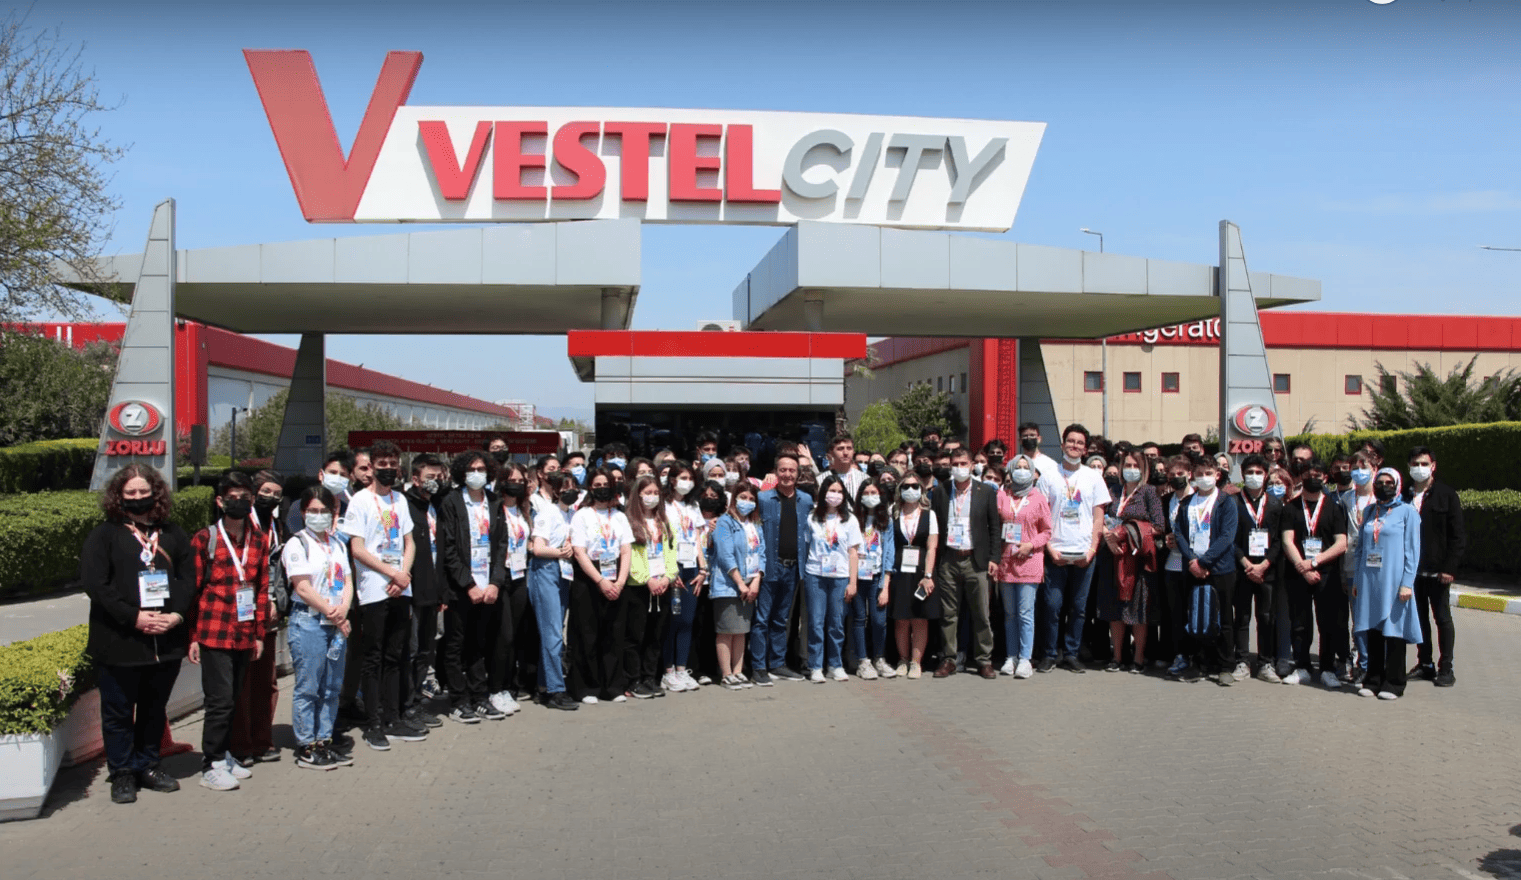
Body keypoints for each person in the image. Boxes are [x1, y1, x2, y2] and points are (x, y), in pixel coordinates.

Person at [82, 464, 193, 804]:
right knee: (117, 713)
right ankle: (122, 774)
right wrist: (135, 618)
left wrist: (175, 616)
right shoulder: (105, 535)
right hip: (121, 641)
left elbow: (189, 580)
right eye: (130, 493)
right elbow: (96, 585)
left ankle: (147, 765)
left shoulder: (173, 534)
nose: (137, 497)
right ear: (119, 496)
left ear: (155, 493)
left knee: (153, 710)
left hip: (165, 642)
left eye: (143, 492)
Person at [190, 472, 271, 791]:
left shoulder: (259, 539)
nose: (239, 502)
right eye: (233, 496)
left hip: (244, 630)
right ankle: (210, 763)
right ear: (220, 501)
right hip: (214, 630)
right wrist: (193, 637)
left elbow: (261, 588)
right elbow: (193, 592)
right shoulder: (204, 538)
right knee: (219, 700)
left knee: (234, 698)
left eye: (245, 496)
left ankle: (223, 755)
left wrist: (260, 634)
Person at [346, 441, 428, 749]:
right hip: (374, 589)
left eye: (393, 462)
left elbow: (410, 543)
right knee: (374, 658)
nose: (388, 468)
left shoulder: (400, 500)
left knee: (397, 655)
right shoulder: (360, 501)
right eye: (382, 463)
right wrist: (391, 573)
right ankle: (374, 722)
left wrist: (403, 575)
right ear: (372, 466)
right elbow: (357, 548)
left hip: (400, 587)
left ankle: (394, 717)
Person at [283, 486, 355, 771]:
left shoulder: (336, 543)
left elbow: (347, 580)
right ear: (303, 513)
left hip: (335, 623)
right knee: (309, 687)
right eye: (312, 511)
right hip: (309, 621)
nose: (319, 516)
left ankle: (324, 740)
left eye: (324, 511)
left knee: (331, 687)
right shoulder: (297, 544)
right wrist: (331, 612)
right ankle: (306, 745)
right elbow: (302, 586)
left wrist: (343, 611)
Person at [1037, 424, 1111, 674]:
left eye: (1080, 443)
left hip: (1083, 554)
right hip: (1055, 553)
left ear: (1086, 448)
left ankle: (1071, 653)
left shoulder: (1094, 477)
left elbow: (1098, 517)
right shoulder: (1049, 476)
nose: (1075, 446)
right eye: (1071, 441)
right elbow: (1040, 517)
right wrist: (1048, 549)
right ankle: (1049, 653)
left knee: (1079, 609)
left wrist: (1091, 550)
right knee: (1052, 606)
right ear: (1062, 445)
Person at [437, 450, 502, 724]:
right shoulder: (451, 502)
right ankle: (458, 700)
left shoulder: (495, 502)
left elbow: (501, 545)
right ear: (462, 473)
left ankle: (479, 696)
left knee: (479, 644)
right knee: (455, 645)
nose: (477, 473)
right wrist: (468, 584)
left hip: (487, 586)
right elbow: (448, 548)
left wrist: (495, 582)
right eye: (472, 469)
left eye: (482, 468)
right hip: (461, 588)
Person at [229, 469, 286, 768]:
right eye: (265, 492)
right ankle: (240, 744)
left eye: (276, 494)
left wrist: (275, 601)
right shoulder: (238, 523)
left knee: (267, 682)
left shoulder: (275, 523)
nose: (271, 498)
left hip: (268, 613)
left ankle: (263, 740)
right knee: (243, 682)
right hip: (241, 614)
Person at [930, 447, 1002, 679]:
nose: (959, 468)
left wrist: (994, 558)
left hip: (976, 560)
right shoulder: (940, 492)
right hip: (949, 559)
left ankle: (984, 660)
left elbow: (994, 527)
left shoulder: (986, 491)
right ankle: (949, 659)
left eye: (964, 463)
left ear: (972, 465)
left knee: (981, 613)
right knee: (949, 614)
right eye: (955, 464)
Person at [1352, 468, 1422, 700]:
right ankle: (1373, 679)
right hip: (1370, 581)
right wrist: (1357, 579)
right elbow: (1361, 548)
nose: (1383, 485)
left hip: (1395, 583)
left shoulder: (1407, 512)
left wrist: (1407, 583)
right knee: (1372, 631)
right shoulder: (1371, 511)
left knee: (1394, 632)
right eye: (1380, 482)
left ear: (1398, 484)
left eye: (1389, 482)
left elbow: (1413, 551)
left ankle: (1394, 683)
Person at [1279, 459, 1349, 689]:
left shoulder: (1334, 507)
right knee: (1299, 623)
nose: (1314, 478)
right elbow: (1287, 540)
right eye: (1309, 474)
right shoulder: (1291, 507)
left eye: (1319, 474)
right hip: (1297, 573)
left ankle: (1328, 669)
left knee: (1328, 622)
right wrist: (1302, 566)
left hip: (1327, 574)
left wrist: (1314, 562)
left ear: (1325, 478)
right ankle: (1302, 667)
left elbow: (1341, 544)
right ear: (1301, 477)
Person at [1095, 449, 1165, 673]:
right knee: (1115, 610)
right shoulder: (1113, 491)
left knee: (1138, 611)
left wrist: (1126, 533)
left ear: (1144, 469)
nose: (1131, 470)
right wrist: (1109, 536)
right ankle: (1117, 656)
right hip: (1112, 557)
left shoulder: (1149, 493)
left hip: (1136, 560)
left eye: (1136, 466)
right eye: (1128, 465)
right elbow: (1101, 517)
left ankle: (1139, 658)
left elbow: (1158, 526)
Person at [568, 469, 634, 704]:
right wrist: (600, 581)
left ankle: (613, 686)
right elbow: (579, 551)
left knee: (613, 634)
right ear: (590, 488)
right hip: (590, 578)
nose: (602, 488)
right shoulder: (582, 515)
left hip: (616, 575)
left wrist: (620, 581)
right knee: (587, 634)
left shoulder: (619, 516)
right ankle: (588, 687)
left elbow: (626, 549)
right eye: (597, 484)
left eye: (606, 483)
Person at [1172, 456, 1239, 686]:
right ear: (1192, 475)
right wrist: (1192, 561)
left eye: (1208, 473)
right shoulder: (1187, 502)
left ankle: (1225, 666)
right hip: (1192, 568)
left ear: (1217, 475)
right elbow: (1179, 533)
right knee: (1196, 616)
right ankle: (1200, 663)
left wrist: (1205, 562)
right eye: (1199, 473)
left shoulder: (1226, 502)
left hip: (1220, 570)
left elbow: (1227, 537)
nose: (1204, 477)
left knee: (1223, 618)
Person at [1403, 447, 1465, 687]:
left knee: (1442, 619)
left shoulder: (1446, 495)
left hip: (1438, 572)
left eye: (1424, 463)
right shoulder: (1404, 494)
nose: (1419, 468)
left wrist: (1450, 567)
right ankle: (1425, 663)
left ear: (1433, 465)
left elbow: (1457, 535)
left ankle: (1446, 668)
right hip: (1412, 572)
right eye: (1415, 463)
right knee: (1418, 620)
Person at [754, 451, 813, 684]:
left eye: (792, 470)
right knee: (762, 619)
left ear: (798, 474)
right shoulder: (763, 499)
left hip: (794, 568)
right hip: (769, 566)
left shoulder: (806, 500)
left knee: (781, 619)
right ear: (775, 472)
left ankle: (777, 664)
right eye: (783, 470)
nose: (787, 474)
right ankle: (759, 666)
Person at [994, 455, 1052, 678]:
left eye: (1025, 467)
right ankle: (1011, 656)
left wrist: (1031, 544)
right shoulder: (1002, 495)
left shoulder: (1038, 498)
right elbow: (995, 524)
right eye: (1016, 467)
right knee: (1009, 614)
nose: (1021, 471)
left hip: (1029, 561)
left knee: (1026, 613)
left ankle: (1026, 659)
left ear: (1032, 472)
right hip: (1006, 562)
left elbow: (1047, 531)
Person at [527, 471, 580, 711]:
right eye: (565, 486)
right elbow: (538, 547)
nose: (571, 491)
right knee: (552, 634)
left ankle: (544, 685)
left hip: (563, 572)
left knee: (555, 630)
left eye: (574, 486)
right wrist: (560, 551)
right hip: (546, 570)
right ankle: (556, 689)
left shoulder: (571, 514)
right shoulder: (547, 512)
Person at [399, 454, 444, 729]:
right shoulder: (405, 506)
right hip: (411, 592)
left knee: (427, 650)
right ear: (415, 479)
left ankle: (418, 702)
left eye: (439, 477)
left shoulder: (435, 506)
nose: (435, 482)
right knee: (411, 650)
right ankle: (406, 706)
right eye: (430, 477)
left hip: (433, 592)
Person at [486, 463, 535, 712]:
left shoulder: (524, 510)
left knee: (514, 635)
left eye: (520, 480)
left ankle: (508, 686)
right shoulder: (494, 509)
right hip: (500, 575)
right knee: (502, 635)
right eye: (511, 479)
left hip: (520, 575)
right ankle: (495, 688)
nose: (516, 483)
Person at [803, 474, 862, 682]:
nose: (835, 495)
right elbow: (807, 545)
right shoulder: (812, 517)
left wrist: (853, 582)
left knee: (836, 623)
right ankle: (816, 665)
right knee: (816, 622)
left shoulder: (850, 519)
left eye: (839, 492)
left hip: (840, 576)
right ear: (823, 493)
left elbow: (853, 552)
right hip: (815, 575)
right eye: (831, 491)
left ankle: (835, 664)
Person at [1231, 453, 1283, 683]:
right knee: (1241, 617)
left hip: (1266, 571)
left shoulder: (1275, 503)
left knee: (1266, 617)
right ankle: (1242, 661)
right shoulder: (1233, 503)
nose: (1254, 476)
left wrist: (1264, 565)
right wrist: (1246, 564)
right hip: (1241, 569)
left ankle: (1265, 663)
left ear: (1266, 475)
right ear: (1243, 476)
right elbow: (1229, 538)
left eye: (1258, 472)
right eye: (1249, 472)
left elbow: (1280, 539)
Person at [624, 474, 675, 698]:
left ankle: (649, 677)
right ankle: (633, 679)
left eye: (656, 493)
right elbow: (630, 556)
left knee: (656, 634)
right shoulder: (629, 522)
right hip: (639, 586)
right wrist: (647, 579)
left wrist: (668, 577)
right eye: (647, 493)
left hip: (663, 585)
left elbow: (671, 552)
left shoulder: (663, 522)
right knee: (636, 635)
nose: (652, 497)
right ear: (638, 495)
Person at [712, 482, 764, 688]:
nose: (747, 502)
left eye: (752, 499)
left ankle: (738, 671)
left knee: (741, 630)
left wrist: (757, 580)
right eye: (743, 497)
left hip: (751, 584)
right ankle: (726, 674)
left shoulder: (755, 524)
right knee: (726, 630)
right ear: (734, 499)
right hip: (728, 585)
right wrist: (741, 584)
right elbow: (725, 555)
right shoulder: (725, 522)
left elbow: (762, 554)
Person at [887, 473, 939, 679]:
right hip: (899, 568)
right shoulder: (893, 511)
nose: (911, 490)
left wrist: (928, 575)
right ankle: (902, 659)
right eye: (906, 486)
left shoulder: (929, 514)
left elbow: (932, 546)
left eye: (915, 486)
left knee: (919, 617)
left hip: (921, 569)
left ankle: (916, 663)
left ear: (921, 489)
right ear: (900, 489)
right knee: (901, 618)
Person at [662, 464, 708, 692]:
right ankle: (668, 671)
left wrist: (703, 568)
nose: (687, 482)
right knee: (673, 620)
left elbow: (698, 537)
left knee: (687, 620)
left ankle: (682, 669)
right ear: (672, 480)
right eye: (682, 477)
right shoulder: (664, 505)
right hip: (673, 566)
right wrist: (669, 571)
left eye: (690, 478)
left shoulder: (693, 505)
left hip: (692, 567)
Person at [849, 479, 896, 680]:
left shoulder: (886, 521)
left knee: (879, 621)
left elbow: (889, 553)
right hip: (858, 577)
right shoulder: (852, 520)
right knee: (859, 619)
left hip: (877, 576)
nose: (870, 497)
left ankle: (879, 658)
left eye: (874, 492)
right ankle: (863, 661)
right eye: (866, 493)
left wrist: (886, 585)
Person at [1338, 451, 1377, 686]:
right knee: (1359, 618)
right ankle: (1363, 663)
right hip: (1352, 565)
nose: (1359, 471)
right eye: (1355, 467)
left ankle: (1378, 662)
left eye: (1364, 466)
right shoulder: (1345, 500)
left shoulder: (1383, 499)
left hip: (1377, 567)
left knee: (1378, 617)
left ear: (1374, 468)